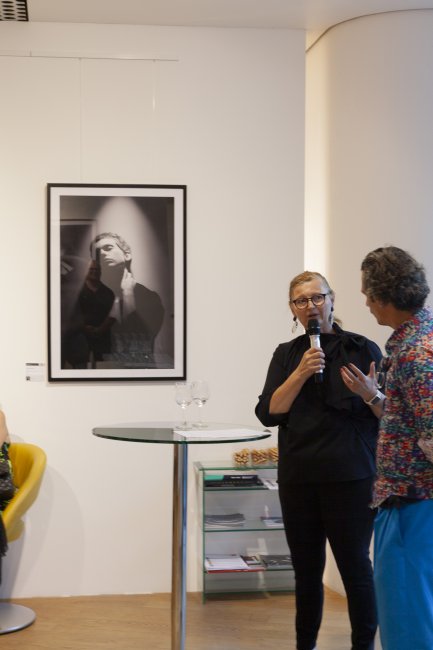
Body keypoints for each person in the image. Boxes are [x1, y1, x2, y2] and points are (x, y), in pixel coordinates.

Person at [255, 271, 382, 650]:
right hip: (300, 478)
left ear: (331, 300)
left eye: (317, 297)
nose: (310, 306)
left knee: (355, 569)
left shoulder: (363, 348)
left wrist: (371, 394)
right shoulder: (287, 354)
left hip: (352, 478)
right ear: (292, 309)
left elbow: (388, 415)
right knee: (306, 572)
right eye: (301, 300)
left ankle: (363, 645)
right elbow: (269, 412)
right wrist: (300, 372)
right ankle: (304, 645)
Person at [341, 246, 433, 650]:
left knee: (408, 623)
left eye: (367, 294)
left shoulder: (416, 354)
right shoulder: (418, 341)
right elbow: (410, 423)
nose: (365, 303)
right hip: (410, 505)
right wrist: (373, 396)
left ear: (384, 296)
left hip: (413, 506)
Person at [90, 232, 164, 364]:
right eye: (97, 252)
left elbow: (140, 337)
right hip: (104, 369)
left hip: (139, 368)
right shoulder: (94, 297)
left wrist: (128, 294)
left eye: (108, 248)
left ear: (127, 255)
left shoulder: (149, 297)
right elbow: (94, 336)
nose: (102, 253)